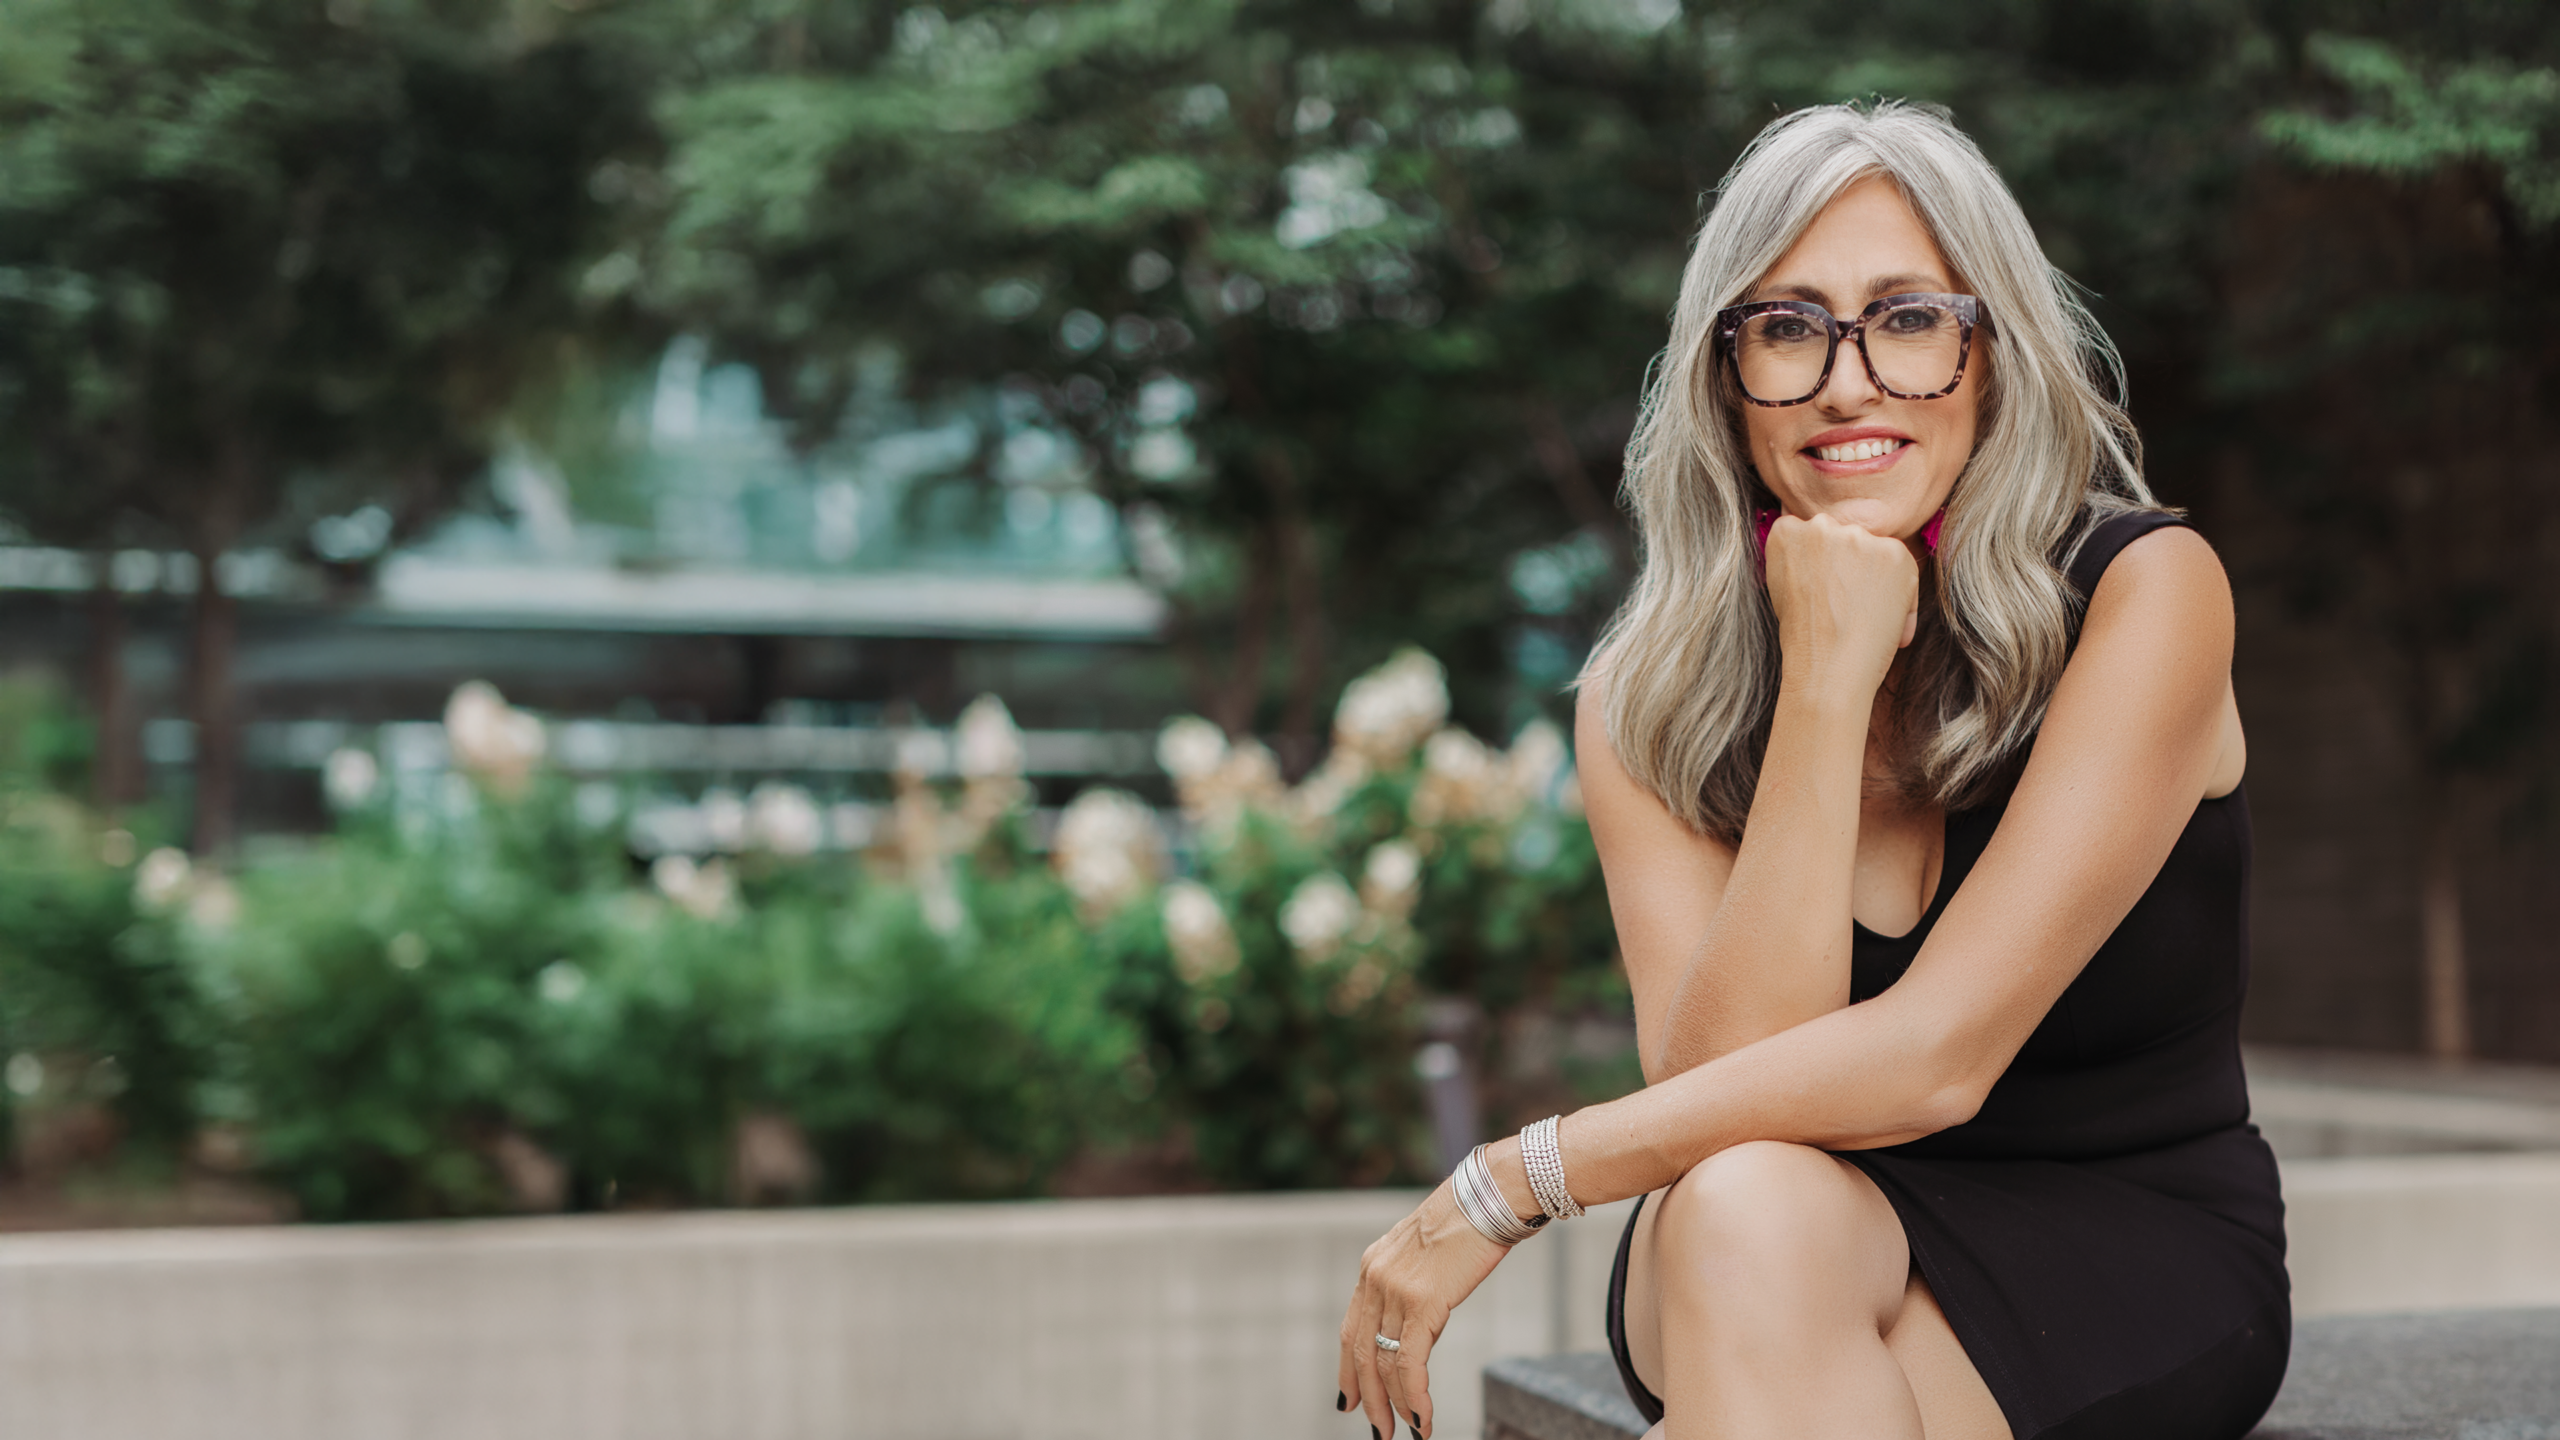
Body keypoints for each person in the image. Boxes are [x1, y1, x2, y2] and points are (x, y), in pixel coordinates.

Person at [1334, 100, 2288, 1440]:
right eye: (1786, 327)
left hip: (2125, 1240)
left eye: (1907, 318)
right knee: (1739, 1199)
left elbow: (1938, 1061)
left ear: (1993, 354)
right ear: (1725, 378)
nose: (1847, 380)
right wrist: (1825, 683)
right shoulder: (1644, 697)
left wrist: (1507, 1184)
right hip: (1778, 1235)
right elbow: (1719, 1106)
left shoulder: (2145, 595)